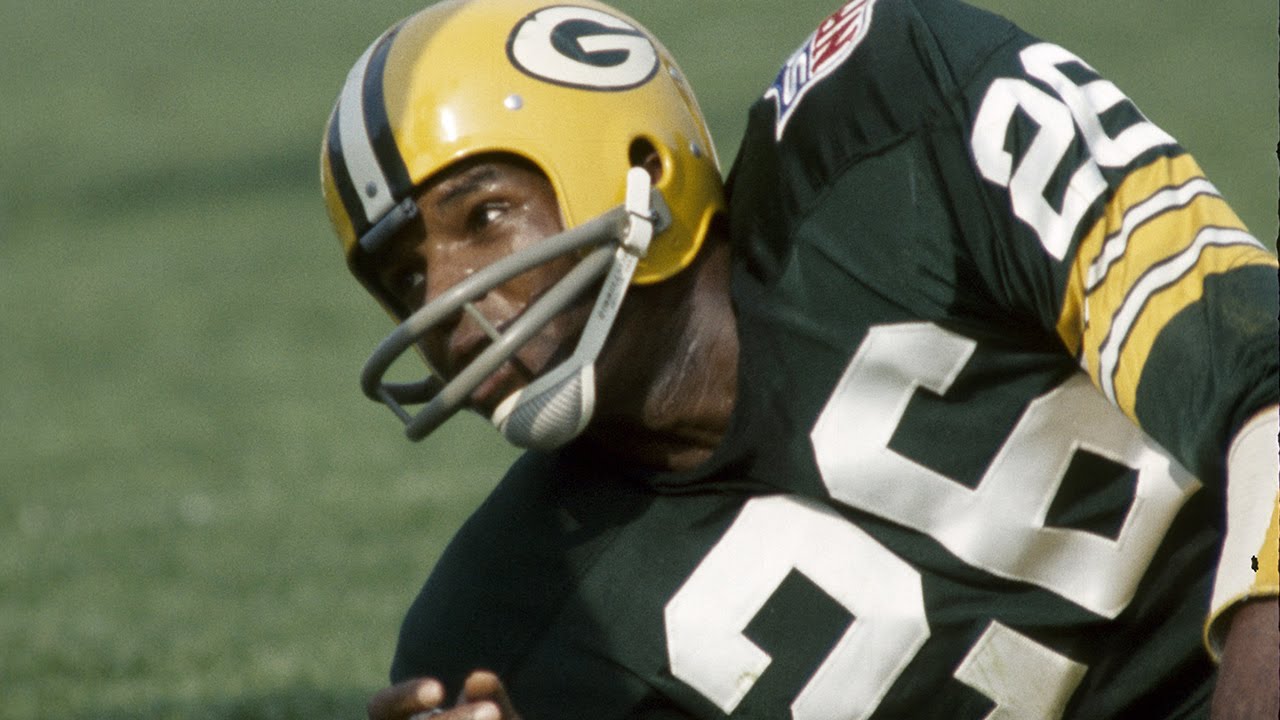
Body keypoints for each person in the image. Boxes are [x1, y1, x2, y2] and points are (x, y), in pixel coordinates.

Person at [319, 0, 1279, 717]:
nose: (447, 302)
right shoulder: (508, 633)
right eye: (405, 276)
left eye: (484, 216)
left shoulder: (899, 120)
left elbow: (1264, 380)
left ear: (640, 166)